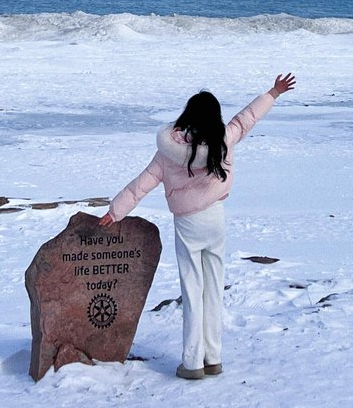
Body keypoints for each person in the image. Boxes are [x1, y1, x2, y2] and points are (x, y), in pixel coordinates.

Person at [99, 72, 296, 381]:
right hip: (216, 219)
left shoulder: (168, 150)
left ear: (187, 114)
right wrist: (273, 92)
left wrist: (116, 211)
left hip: (187, 224)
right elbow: (246, 119)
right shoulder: (223, 140)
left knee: (193, 291)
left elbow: (142, 184)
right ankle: (213, 358)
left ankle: (192, 363)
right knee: (213, 290)